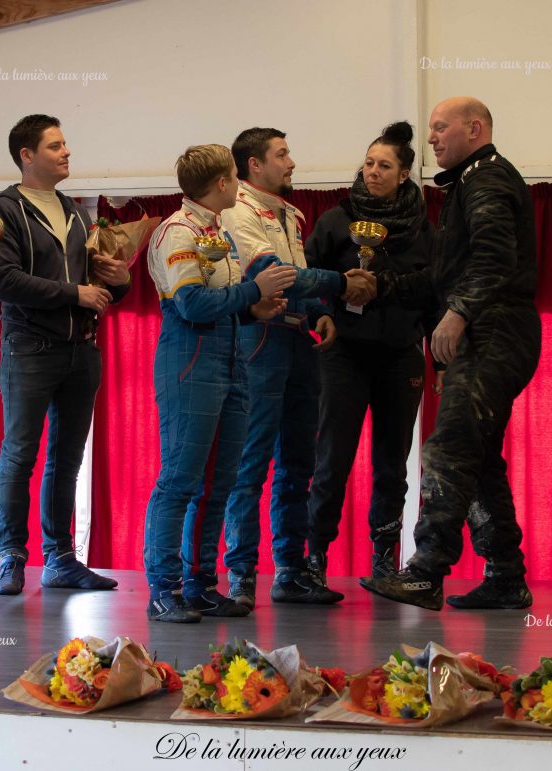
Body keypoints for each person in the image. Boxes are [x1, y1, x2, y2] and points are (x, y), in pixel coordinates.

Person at [361, 97, 540, 611]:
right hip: (498, 328)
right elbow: (443, 273)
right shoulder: (473, 180)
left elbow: (492, 256)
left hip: (494, 329)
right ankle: (506, 574)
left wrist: (458, 312)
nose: (431, 139)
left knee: (449, 449)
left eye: (441, 128)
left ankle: (426, 570)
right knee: (478, 457)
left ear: (475, 128)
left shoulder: (485, 177)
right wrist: (379, 285)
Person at [220, 127, 374, 609]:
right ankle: (241, 573)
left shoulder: (290, 213)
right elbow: (272, 274)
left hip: (297, 341)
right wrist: (339, 283)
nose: (292, 163)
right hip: (259, 341)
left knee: (298, 462)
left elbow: (296, 282)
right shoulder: (237, 210)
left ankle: (290, 570)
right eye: (282, 155)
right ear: (253, 165)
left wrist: (322, 310)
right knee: (251, 463)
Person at [144, 144, 294, 622]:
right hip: (190, 363)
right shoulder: (177, 231)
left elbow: (220, 297)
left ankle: (200, 583)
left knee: (219, 482)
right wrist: (254, 290)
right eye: (233, 176)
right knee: (180, 480)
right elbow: (188, 304)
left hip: (230, 361)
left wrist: (252, 307)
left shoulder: (216, 230)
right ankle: (163, 589)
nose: (237, 184)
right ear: (223, 184)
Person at [0, 114, 127, 596]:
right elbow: (2, 282)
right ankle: (10, 559)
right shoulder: (2, 210)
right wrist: (75, 293)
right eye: (55, 146)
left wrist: (116, 280)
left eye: (65, 144)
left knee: (67, 459)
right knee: (20, 454)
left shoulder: (75, 209)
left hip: (80, 350)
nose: (66, 152)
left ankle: (61, 559)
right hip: (29, 348)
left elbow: (92, 287)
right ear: (26, 155)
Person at [304, 121, 434, 595]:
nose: (373, 171)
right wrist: (322, 308)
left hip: (400, 355)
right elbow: (307, 278)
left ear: (403, 175)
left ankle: (384, 561)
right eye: (369, 163)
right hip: (344, 353)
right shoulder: (337, 220)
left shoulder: (422, 227)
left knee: (391, 464)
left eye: (385, 166)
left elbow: (432, 289)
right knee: (331, 457)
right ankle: (314, 558)